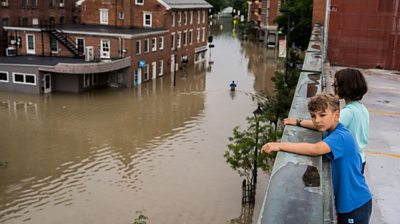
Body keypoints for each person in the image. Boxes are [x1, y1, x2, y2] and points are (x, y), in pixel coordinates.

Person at [262, 93, 372, 224]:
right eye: (313, 116)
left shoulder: (341, 137)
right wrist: (298, 122)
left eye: (322, 115)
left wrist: (279, 145)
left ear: (336, 114)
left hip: (355, 204)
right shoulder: (331, 129)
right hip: (348, 201)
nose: (317, 120)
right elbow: (316, 125)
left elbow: (316, 149)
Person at [284, 68, 369, 174]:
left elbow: (324, 125)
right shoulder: (361, 108)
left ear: (345, 87)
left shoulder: (349, 112)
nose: (334, 88)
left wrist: (298, 122)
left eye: (337, 85)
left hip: (351, 161)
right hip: (360, 157)